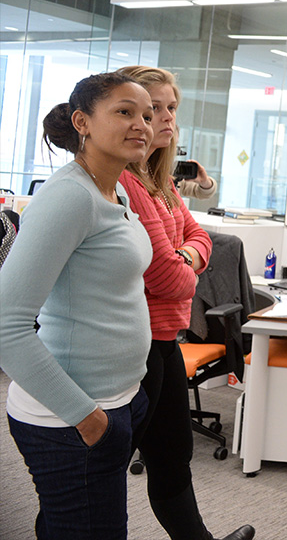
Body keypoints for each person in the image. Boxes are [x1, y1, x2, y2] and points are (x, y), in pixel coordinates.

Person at [0, 72, 155, 539]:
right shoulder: (69, 196)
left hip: (117, 399)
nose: (142, 125)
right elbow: (6, 325)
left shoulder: (114, 188)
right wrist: (86, 418)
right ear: (82, 122)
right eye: (124, 112)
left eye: (147, 115)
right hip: (70, 415)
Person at [118, 66, 255, 540]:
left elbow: (199, 236)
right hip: (135, 342)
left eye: (170, 107)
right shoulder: (128, 183)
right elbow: (169, 279)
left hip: (164, 338)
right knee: (105, 467)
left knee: (172, 455)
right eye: (150, 108)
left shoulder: (160, 180)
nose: (163, 118)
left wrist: (186, 255)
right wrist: (186, 260)